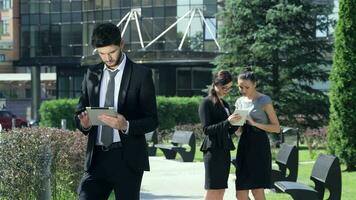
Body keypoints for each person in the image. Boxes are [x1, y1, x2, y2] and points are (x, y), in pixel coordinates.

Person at [75, 23, 158, 200]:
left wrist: (126, 125)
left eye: (111, 52)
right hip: (96, 159)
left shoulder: (140, 75)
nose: (108, 58)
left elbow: (152, 120)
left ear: (121, 44)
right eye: (102, 53)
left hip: (127, 159)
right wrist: (84, 123)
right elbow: (80, 111)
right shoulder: (91, 74)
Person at [234, 67, 280, 200]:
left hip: (259, 146)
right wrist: (236, 126)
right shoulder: (239, 101)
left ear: (255, 84)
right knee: (240, 194)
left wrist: (254, 124)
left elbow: (276, 128)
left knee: (256, 190)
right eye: (240, 87)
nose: (243, 90)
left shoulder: (264, 100)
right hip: (243, 146)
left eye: (246, 87)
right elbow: (238, 132)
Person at [199, 70, 242, 200]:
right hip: (213, 150)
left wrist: (238, 122)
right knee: (213, 189)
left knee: (221, 190)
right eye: (224, 88)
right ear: (215, 84)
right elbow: (207, 129)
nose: (226, 91)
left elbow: (227, 130)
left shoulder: (225, 104)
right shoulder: (206, 102)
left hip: (224, 150)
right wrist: (227, 121)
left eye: (229, 88)